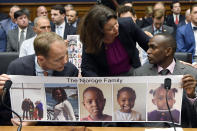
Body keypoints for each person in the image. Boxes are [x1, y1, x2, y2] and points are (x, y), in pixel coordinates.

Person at [0, 32, 78, 125]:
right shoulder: (17, 67)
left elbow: (69, 118)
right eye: (58, 59)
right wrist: (1, 93)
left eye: (66, 54)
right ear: (41, 59)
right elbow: (6, 107)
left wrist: (36, 120)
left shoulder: (70, 70)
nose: (65, 61)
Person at [133, 33, 197, 127]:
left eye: (153, 47)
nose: (148, 51)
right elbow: (135, 112)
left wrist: (191, 96)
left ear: (168, 51)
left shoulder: (191, 73)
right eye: (148, 47)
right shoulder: (139, 74)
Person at [79, 5, 149, 77]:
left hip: (132, 73)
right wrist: (99, 84)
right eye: (110, 29)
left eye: (116, 23)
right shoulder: (90, 39)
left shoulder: (127, 25)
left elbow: (149, 45)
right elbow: (87, 69)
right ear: (99, 33)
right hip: (106, 78)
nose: (116, 29)